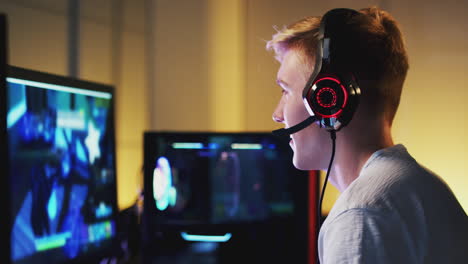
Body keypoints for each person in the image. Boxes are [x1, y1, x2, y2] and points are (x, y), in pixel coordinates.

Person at [267, 6, 468, 263]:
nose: (277, 114)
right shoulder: (415, 186)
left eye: (285, 91)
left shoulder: (362, 216)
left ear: (328, 98)